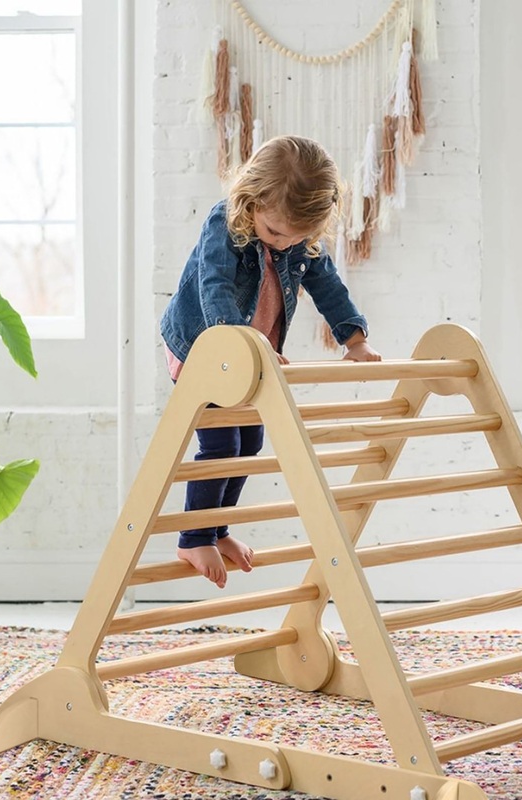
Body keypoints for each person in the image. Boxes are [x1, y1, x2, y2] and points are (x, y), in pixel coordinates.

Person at [160, 134, 381, 588]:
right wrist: (238, 344)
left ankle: (217, 529)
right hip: (207, 349)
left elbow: (328, 286)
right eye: (277, 233)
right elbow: (214, 286)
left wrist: (354, 339)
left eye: (298, 237)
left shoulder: (296, 239)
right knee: (221, 446)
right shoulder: (225, 224)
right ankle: (193, 536)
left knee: (249, 444)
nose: (286, 244)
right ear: (250, 201)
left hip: (251, 357)